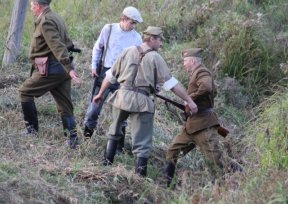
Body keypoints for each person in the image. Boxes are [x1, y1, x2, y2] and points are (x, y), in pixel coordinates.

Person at [93, 26, 198, 177]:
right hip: (141, 101)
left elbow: (110, 76)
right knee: (142, 142)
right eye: (160, 40)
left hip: (121, 96)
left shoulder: (127, 51)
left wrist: (100, 94)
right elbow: (171, 84)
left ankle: (105, 167)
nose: (161, 44)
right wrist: (189, 101)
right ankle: (140, 178)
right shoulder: (155, 57)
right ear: (152, 39)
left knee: (113, 131)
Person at [164, 48, 242, 187]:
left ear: (192, 61)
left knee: (217, 159)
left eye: (185, 61)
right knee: (173, 150)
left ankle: (241, 176)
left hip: (203, 126)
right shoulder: (196, 73)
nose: (184, 64)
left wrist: (190, 100)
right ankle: (165, 185)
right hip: (192, 125)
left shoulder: (201, 72)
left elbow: (207, 88)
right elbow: (213, 91)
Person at [19, 0, 81, 148]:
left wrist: (69, 67)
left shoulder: (46, 21)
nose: (31, 8)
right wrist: (68, 66)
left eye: (32, 5)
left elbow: (57, 45)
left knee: (25, 92)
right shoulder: (55, 16)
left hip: (52, 68)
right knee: (64, 104)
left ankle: (31, 130)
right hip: (60, 69)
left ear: (38, 5)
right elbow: (65, 41)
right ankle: (72, 140)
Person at [83, 6, 143, 153]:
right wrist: (93, 66)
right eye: (131, 22)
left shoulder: (137, 38)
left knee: (120, 113)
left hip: (124, 77)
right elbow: (98, 47)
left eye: (135, 23)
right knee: (94, 108)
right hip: (105, 72)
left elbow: (139, 60)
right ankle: (86, 140)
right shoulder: (108, 29)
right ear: (123, 19)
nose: (133, 26)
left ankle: (118, 148)